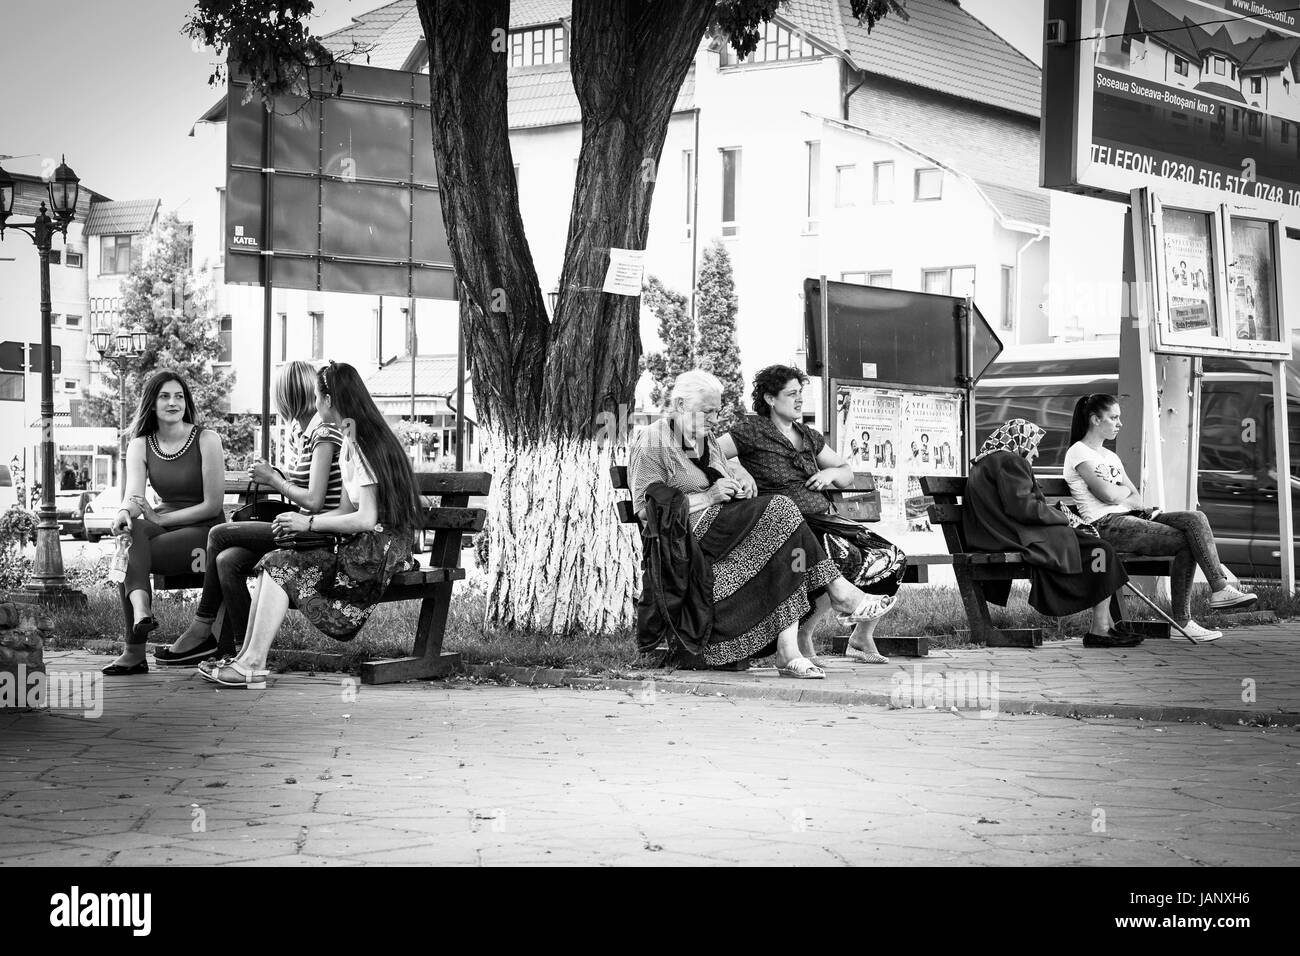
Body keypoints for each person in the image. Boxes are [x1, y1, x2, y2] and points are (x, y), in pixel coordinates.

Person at [628, 369, 890, 680]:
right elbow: (646, 511)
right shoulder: (654, 440)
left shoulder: (705, 440)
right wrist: (709, 497)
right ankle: (842, 597)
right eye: (707, 411)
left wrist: (740, 479)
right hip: (689, 539)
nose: (714, 419)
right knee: (781, 508)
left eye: (717, 411)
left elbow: (726, 471)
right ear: (681, 405)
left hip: (723, 529)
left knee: (787, 547)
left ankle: (790, 651)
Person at [198, 362, 421, 689]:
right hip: (361, 545)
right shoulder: (352, 438)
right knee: (274, 563)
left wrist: (310, 522)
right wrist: (303, 525)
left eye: (318, 397)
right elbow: (346, 509)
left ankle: (251, 663)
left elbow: (366, 519)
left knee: (279, 566)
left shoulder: (362, 443)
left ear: (329, 400)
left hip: (378, 553)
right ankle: (247, 660)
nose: (315, 404)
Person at [155, 361, 344, 666]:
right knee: (226, 560)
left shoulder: (323, 434)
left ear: (287, 395)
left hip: (317, 533)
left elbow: (314, 500)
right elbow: (305, 487)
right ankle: (243, 655)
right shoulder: (302, 431)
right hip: (299, 530)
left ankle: (202, 627)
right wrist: (274, 475)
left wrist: (274, 480)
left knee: (218, 533)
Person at [721, 365, 905, 665]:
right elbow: (712, 455)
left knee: (890, 556)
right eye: (791, 394)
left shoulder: (808, 435)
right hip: (787, 525)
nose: (798, 400)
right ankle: (805, 634)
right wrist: (739, 471)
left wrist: (830, 472)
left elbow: (846, 475)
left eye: (800, 394)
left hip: (824, 518)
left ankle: (860, 637)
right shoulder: (751, 431)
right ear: (770, 398)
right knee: (833, 559)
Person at [1063, 394, 1257, 643]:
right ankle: (1184, 621)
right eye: (1114, 417)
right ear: (1094, 419)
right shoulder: (1078, 452)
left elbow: (1136, 498)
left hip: (1130, 518)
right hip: (1106, 525)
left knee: (1194, 519)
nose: (1119, 423)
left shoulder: (1110, 457)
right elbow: (1108, 494)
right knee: (1187, 540)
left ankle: (1219, 589)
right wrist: (1119, 494)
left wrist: (1119, 495)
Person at [966, 419, 1136, 647]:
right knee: (1101, 550)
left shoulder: (988, 462)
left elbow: (1019, 506)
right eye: (1033, 444)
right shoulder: (1009, 461)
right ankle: (1101, 628)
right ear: (1020, 441)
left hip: (1000, 535)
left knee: (1098, 549)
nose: (1035, 452)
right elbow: (1025, 509)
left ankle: (1104, 626)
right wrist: (1064, 517)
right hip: (1016, 537)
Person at [105, 372, 226, 675]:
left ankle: (134, 648)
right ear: (152, 403)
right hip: (164, 528)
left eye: (179, 396)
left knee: (130, 551)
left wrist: (162, 518)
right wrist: (123, 513)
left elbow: (213, 505)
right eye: (164, 396)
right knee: (129, 534)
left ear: (186, 402)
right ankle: (142, 612)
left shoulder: (207, 439)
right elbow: (134, 497)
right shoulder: (141, 445)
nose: (173, 402)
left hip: (205, 532)